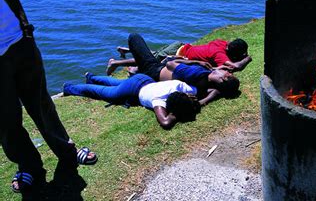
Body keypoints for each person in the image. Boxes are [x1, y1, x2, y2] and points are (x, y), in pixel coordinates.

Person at [1, 0, 97, 193]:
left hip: (20, 43)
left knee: (42, 105)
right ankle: (28, 165)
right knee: (6, 119)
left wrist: (26, 31)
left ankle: (67, 152)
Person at [125, 33, 240, 106]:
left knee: (134, 37)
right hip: (158, 76)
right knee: (146, 56)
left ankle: (136, 70)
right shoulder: (209, 86)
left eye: (228, 73)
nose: (228, 71)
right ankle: (135, 70)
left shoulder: (196, 73)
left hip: (154, 70)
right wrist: (215, 68)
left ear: (223, 79)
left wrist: (196, 62)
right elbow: (213, 89)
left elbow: (170, 64)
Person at [63, 73, 201, 129]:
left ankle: (92, 77)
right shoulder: (159, 101)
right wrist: (178, 114)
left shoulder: (179, 86)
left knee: (117, 83)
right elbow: (165, 122)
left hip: (143, 79)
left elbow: (197, 93)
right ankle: (69, 88)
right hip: (132, 90)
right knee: (104, 92)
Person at [107, 36, 252, 75]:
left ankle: (126, 50)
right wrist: (247, 58)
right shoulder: (220, 54)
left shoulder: (221, 43)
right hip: (176, 53)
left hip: (181, 45)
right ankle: (115, 63)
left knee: (153, 54)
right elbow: (233, 67)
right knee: (147, 60)